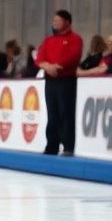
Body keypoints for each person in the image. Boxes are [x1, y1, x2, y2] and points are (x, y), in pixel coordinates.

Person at [35, 10, 82, 155]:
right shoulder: (49, 40)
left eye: (58, 20)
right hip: (51, 81)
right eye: (54, 20)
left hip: (66, 80)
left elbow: (74, 56)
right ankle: (52, 145)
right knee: (52, 113)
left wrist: (57, 66)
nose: (54, 23)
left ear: (67, 21)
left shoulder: (75, 39)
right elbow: (39, 58)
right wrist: (47, 66)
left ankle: (68, 146)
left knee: (66, 112)